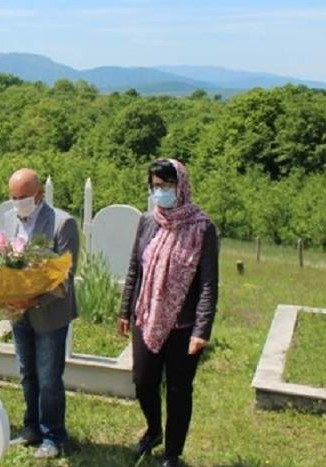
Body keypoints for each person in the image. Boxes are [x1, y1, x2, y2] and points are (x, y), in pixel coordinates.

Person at [118, 159, 218, 467]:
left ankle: (172, 453)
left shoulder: (203, 228)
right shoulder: (149, 221)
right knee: (143, 381)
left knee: (178, 389)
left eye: (167, 186)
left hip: (183, 324)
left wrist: (201, 330)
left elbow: (207, 283)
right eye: (155, 186)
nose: (160, 192)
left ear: (182, 186)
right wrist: (125, 310)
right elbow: (135, 267)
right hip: (146, 316)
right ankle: (153, 430)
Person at [0, 168, 79, 459]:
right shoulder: (9, 219)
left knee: (48, 377)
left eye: (24, 197)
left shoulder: (62, 223)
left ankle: (53, 435)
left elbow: (65, 278)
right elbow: (4, 263)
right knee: (26, 373)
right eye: (13, 197)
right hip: (19, 314)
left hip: (49, 313)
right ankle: (31, 427)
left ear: (40, 194)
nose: (18, 202)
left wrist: (32, 301)